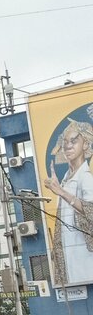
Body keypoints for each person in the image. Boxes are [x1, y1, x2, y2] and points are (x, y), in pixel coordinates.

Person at [45, 118, 93, 285]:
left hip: (86, 262)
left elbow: (91, 211)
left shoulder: (86, 178)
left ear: (86, 145)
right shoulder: (66, 178)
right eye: (65, 142)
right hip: (69, 261)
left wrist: (61, 192)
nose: (68, 146)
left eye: (74, 141)